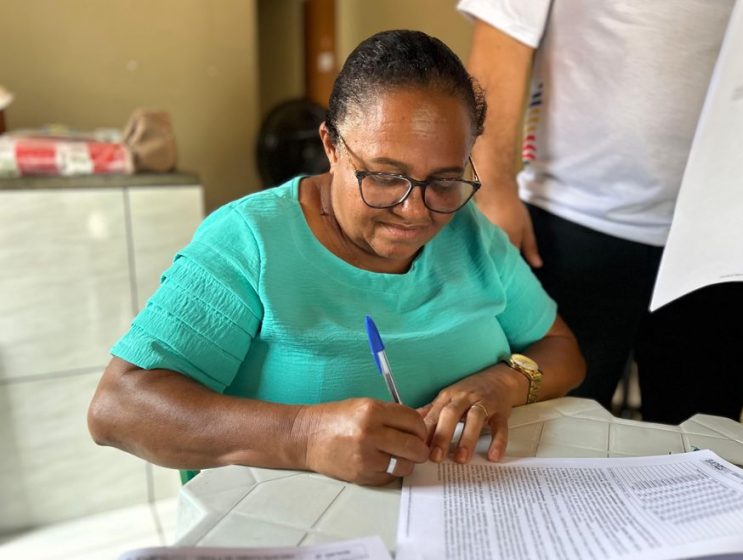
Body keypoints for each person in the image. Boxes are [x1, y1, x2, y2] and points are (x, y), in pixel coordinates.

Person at [87, 30, 586, 486]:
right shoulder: (251, 242)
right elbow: (118, 408)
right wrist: (304, 435)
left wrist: (505, 382)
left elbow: (562, 349)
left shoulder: (470, 232)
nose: (415, 211)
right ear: (330, 145)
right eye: (385, 176)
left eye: (444, 180)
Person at [456, 0, 743, 425]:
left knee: (704, 449)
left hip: (725, 242)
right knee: (545, 438)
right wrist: (495, 191)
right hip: (572, 225)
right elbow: (504, 32)